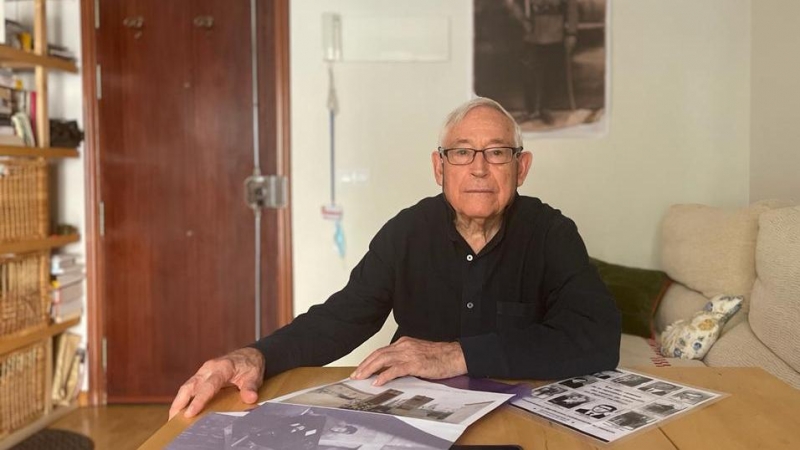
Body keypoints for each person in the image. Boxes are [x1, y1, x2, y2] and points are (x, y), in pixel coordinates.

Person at [169, 97, 621, 420]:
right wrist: (255, 355)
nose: (479, 168)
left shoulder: (551, 233)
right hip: (415, 418)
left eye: (497, 153)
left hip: (518, 414)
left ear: (521, 168)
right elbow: (342, 318)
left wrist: (458, 355)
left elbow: (596, 338)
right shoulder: (407, 230)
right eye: (462, 152)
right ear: (439, 167)